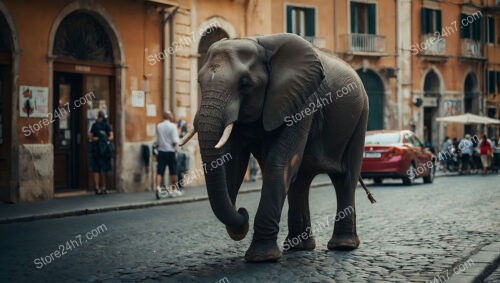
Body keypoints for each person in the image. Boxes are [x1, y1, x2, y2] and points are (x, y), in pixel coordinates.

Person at [155, 112, 181, 199]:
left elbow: (157, 141)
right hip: (170, 151)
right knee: (173, 172)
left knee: (159, 171)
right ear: (169, 116)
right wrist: (176, 148)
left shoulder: (159, 126)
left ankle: (158, 188)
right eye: (171, 115)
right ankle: (173, 190)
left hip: (161, 151)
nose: (173, 116)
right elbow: (174, 141)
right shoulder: (173, 126)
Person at [89, 110, 114, 195]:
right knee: (103, 169)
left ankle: (98, 187)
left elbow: (90, 137)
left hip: (97, 150)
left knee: (97, 169)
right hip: (103, 151)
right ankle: (103, 187)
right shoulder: (105, 125)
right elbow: (111, 136)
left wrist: (97, 139)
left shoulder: (95, 125)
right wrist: (105, 139)